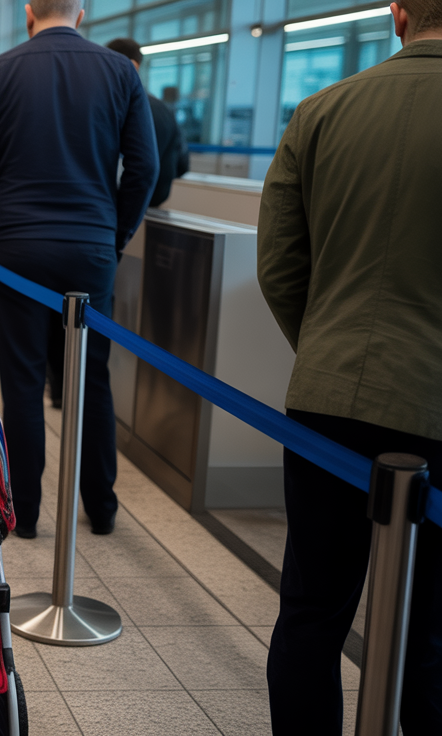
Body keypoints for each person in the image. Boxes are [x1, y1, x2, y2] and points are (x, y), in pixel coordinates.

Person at [257, 1, 442, 731]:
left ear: (397, 13)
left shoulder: (320, 109)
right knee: (430, 629)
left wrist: (330, 347)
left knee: (311, 608)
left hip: (326, 400)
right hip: (433, 409)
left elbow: (279, 265)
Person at [0, 0, 158, 539]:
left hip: (18, 245)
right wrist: (115, 234)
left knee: (22, 379)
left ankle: (23, 513)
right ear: (83, 11)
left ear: (28, 11)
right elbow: (145, 166)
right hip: (90, 244)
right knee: (90, 379)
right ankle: (103, 508)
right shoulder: (119, 71)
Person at [106, 38, 189, 207]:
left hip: (129, 209)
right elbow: (182, 164)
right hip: (145, 206)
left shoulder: (136, 107)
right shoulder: (161, 108)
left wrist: (124, 219)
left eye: (108, 64)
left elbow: (142, 168)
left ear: (132, 65)